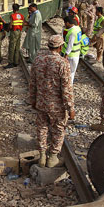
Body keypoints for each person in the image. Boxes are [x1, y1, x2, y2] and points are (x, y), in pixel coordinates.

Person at [29, 35, 75, 168]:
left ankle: (42, 156)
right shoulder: (62, 63)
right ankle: (53, 157)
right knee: (58, 129)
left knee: (42, 128)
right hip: (57, 105)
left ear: (49, 46)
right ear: (60, 47)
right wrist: (70, 107)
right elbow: (66, 88)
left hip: (41, 102)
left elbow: (33, 83)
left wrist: (32, 99)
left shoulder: (38, 60)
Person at [61, 15, 82, 83]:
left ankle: (68, 87)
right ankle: (70, 87)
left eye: (65, 23)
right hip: (76, 54)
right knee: (72, 72)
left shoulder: (72, 32)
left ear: (67, 23)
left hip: (71, 56)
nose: (65, 25)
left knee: (68, 73)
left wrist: (66, 55)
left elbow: (70, 44)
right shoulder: (78, 28)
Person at [5, 3, 25, 68]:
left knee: (11, 47)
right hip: (19, 31)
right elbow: (23, 24)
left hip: (14, 32)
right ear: (18, 9)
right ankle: (16, 62)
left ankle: (10, 62)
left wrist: (7, 29)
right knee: (17, 46)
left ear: (13, 9)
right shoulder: (21, 16)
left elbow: (10, 25)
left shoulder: (12, 16)